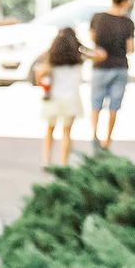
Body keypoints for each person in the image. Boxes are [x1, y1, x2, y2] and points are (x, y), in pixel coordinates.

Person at [87, 0, 135, 152]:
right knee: (114, 106)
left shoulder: (98, 18)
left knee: (96, 103)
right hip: (120, 67)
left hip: (100, 66)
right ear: (125, 0)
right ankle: (107, 140)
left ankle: (94, 136)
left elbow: (93, 39)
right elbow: (131, 48)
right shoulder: (128, 22)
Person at [34, 26, 85, 166]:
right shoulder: (80, 59)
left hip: (54, 100)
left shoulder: (52, 62)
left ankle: (46, 160)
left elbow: (39, 73)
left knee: (50, 130)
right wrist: (83, 47)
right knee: (67, 132)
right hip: (72, 99)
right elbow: (100, 55)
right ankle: (64, 163)